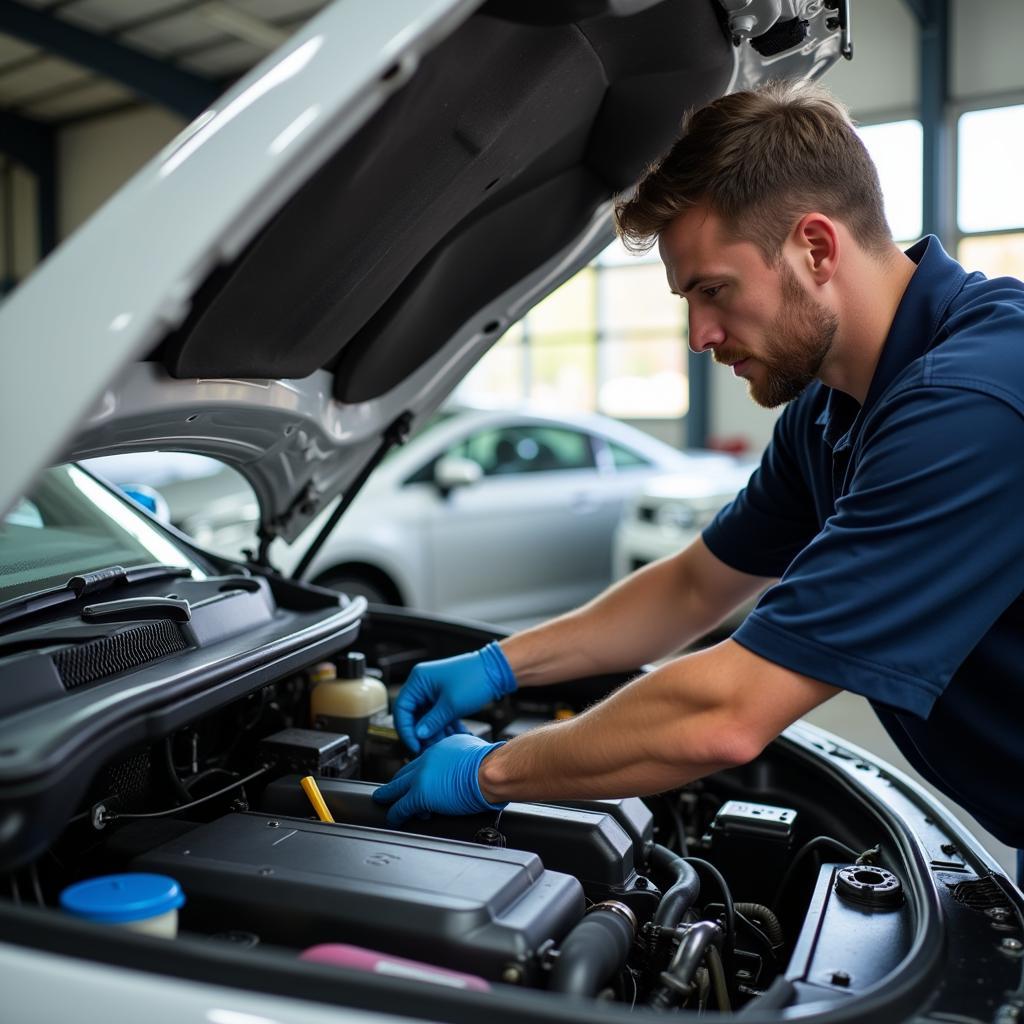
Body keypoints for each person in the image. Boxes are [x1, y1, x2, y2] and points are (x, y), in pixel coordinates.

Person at [372, 81, 1024, 879]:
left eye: (714, 291)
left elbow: (729, 713)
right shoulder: (831, 411)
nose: (698, 335)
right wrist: (503, 663)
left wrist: (490, 773)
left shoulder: (970, 404)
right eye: (687, 300)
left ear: (816, 248)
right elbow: (692, 588)